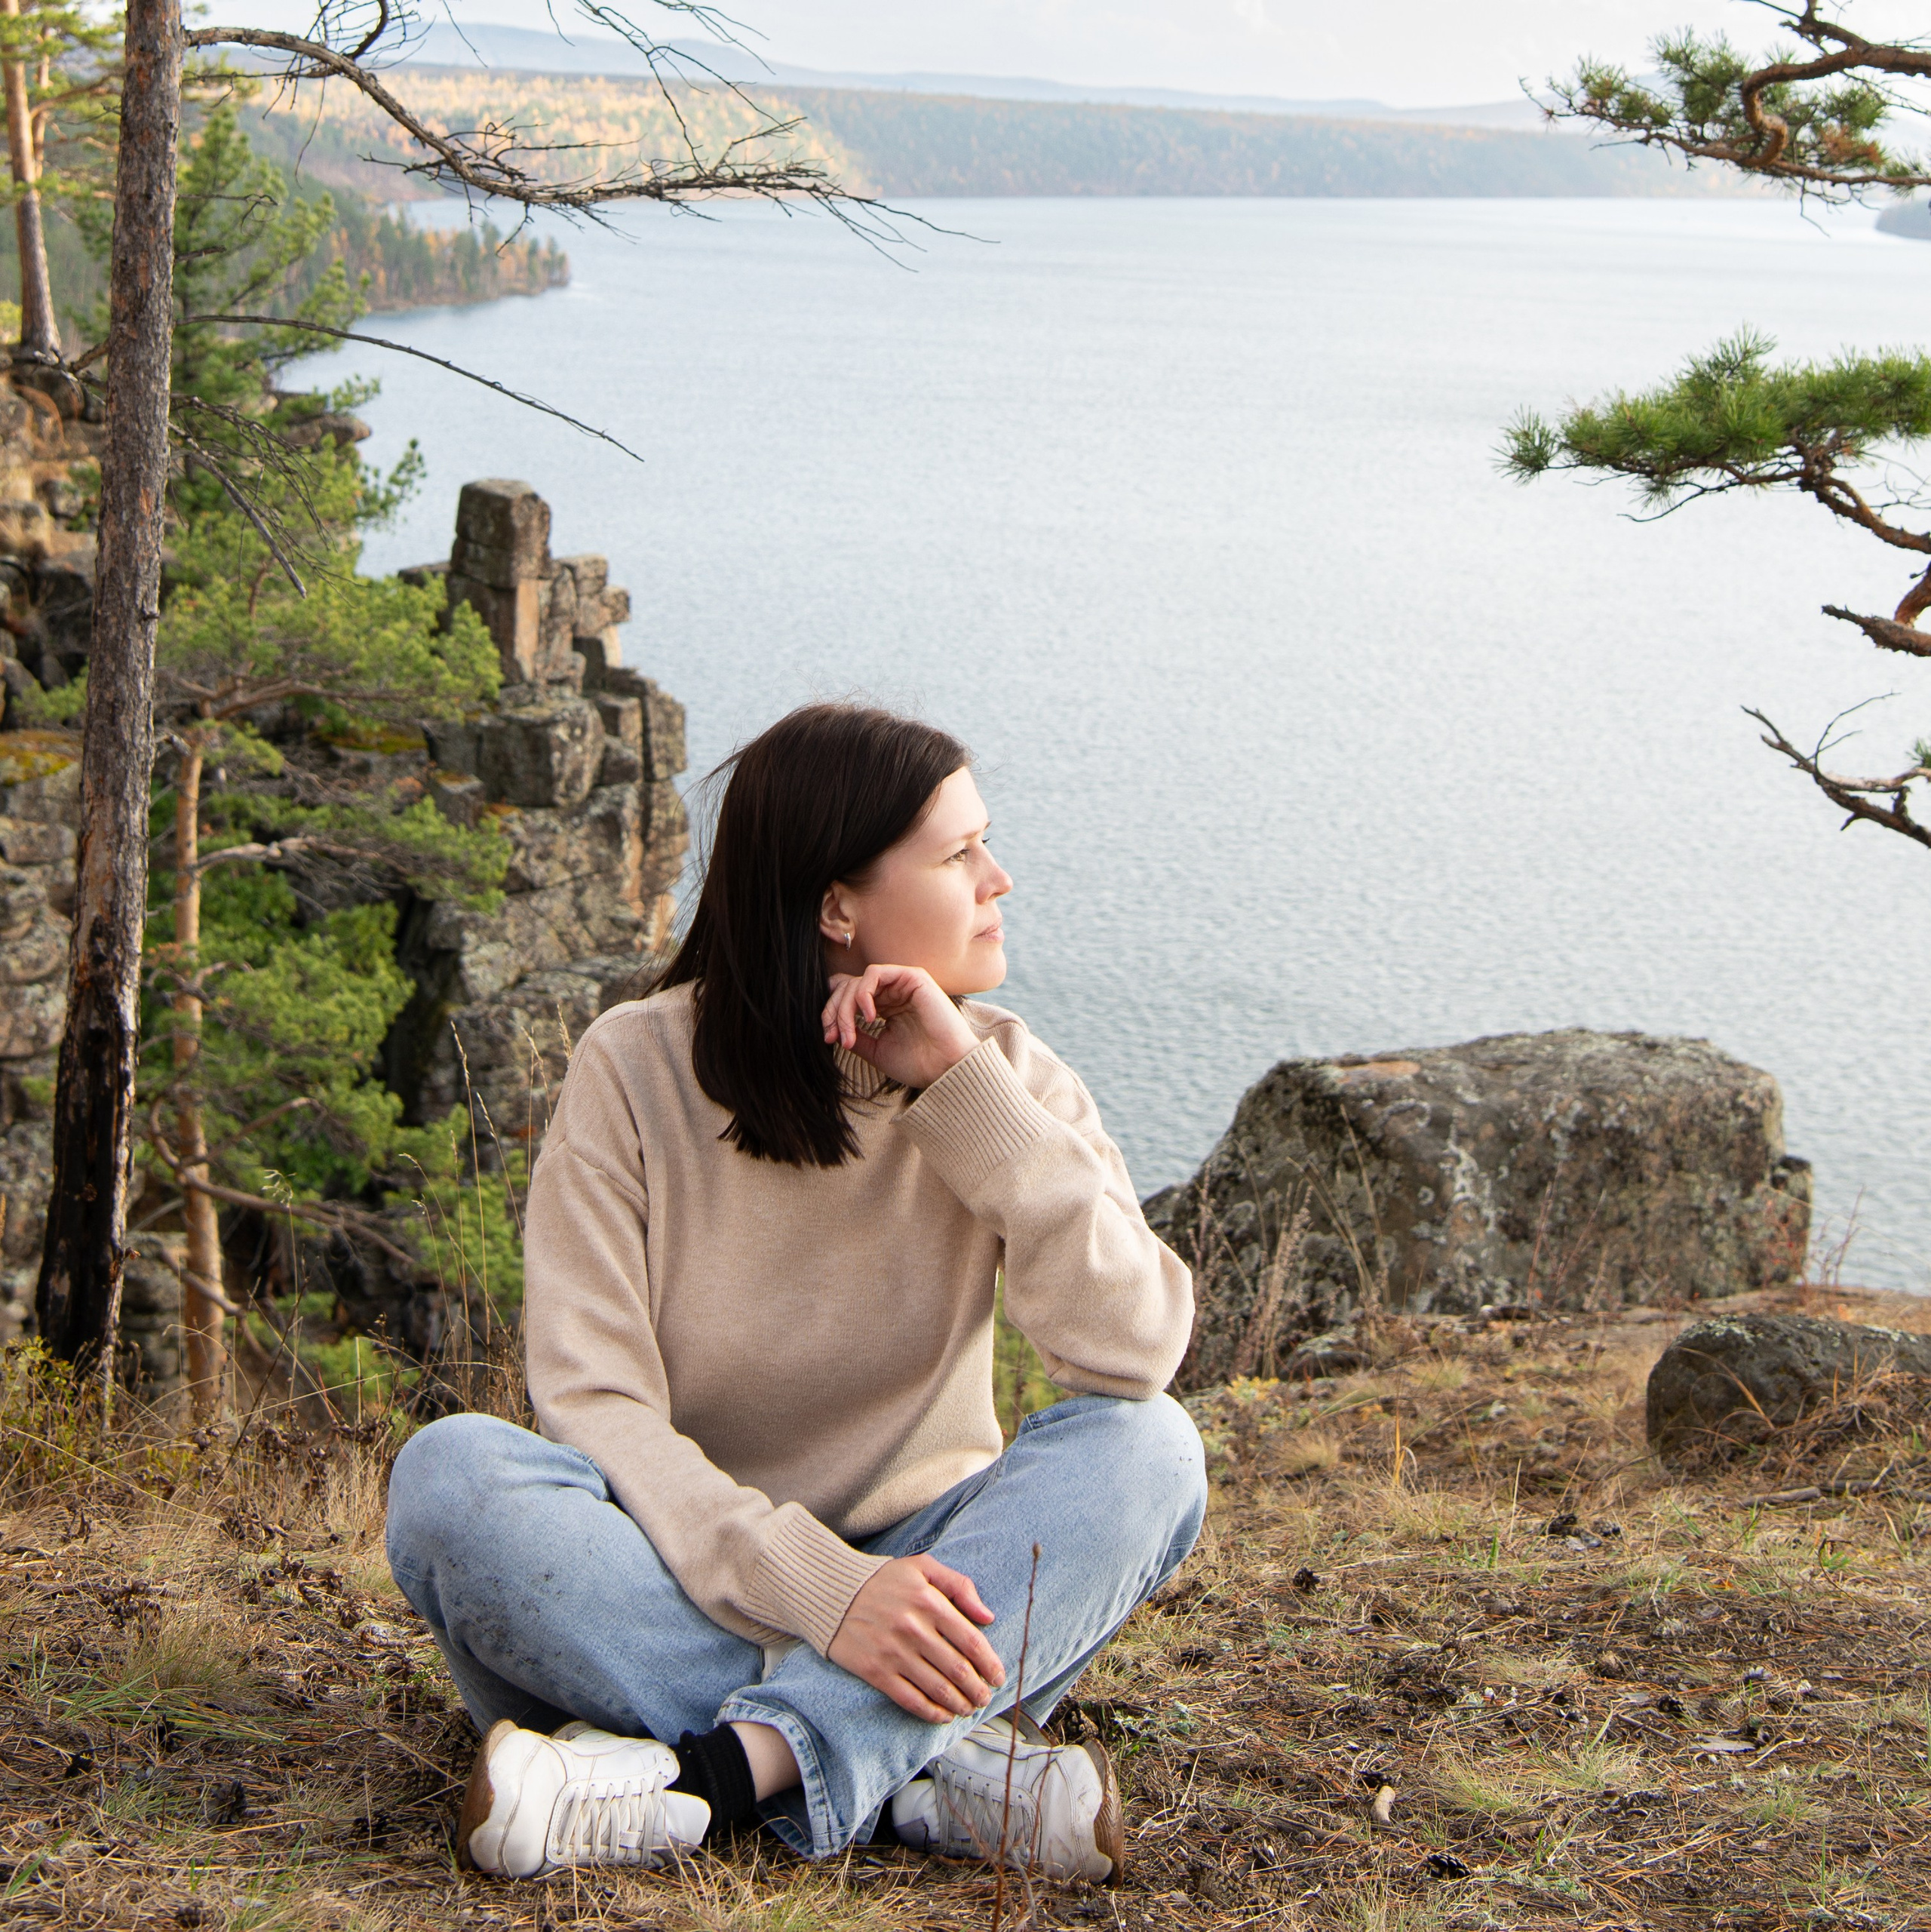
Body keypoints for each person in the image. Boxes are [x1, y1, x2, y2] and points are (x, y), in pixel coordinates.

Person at [384, 701, 1205, 1883]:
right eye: (960, 852)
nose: (1000, 877)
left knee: (1150, 1451)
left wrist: (957, 1096)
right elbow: (596, 1399)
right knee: (450, 1476)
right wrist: (825, 1594)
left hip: (929, 1578)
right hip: (680, 1563)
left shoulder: (1007, 1077)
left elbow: (1135, 1351)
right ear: (837, 906)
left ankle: (703, 1781)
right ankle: (927, 1771)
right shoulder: (633, 1068)